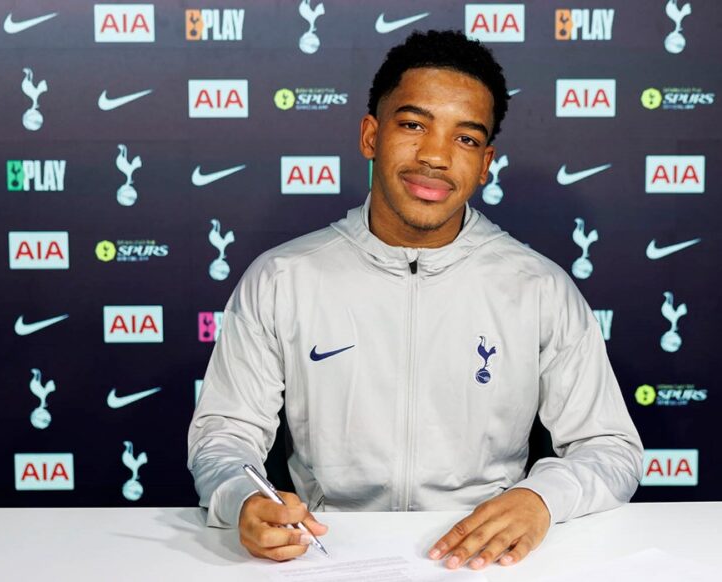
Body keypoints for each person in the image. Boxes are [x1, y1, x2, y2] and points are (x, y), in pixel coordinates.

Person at [187, 29, 643, 571]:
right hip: (328, 552)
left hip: (486, 559)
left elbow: (610, 447)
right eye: (413, 125)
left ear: (486, 162)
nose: (435, 156)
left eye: (465, 139)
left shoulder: (539, 288)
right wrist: (244, 497)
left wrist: (540, 499)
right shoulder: (282, 278)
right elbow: (224, 434)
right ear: (370, 135)